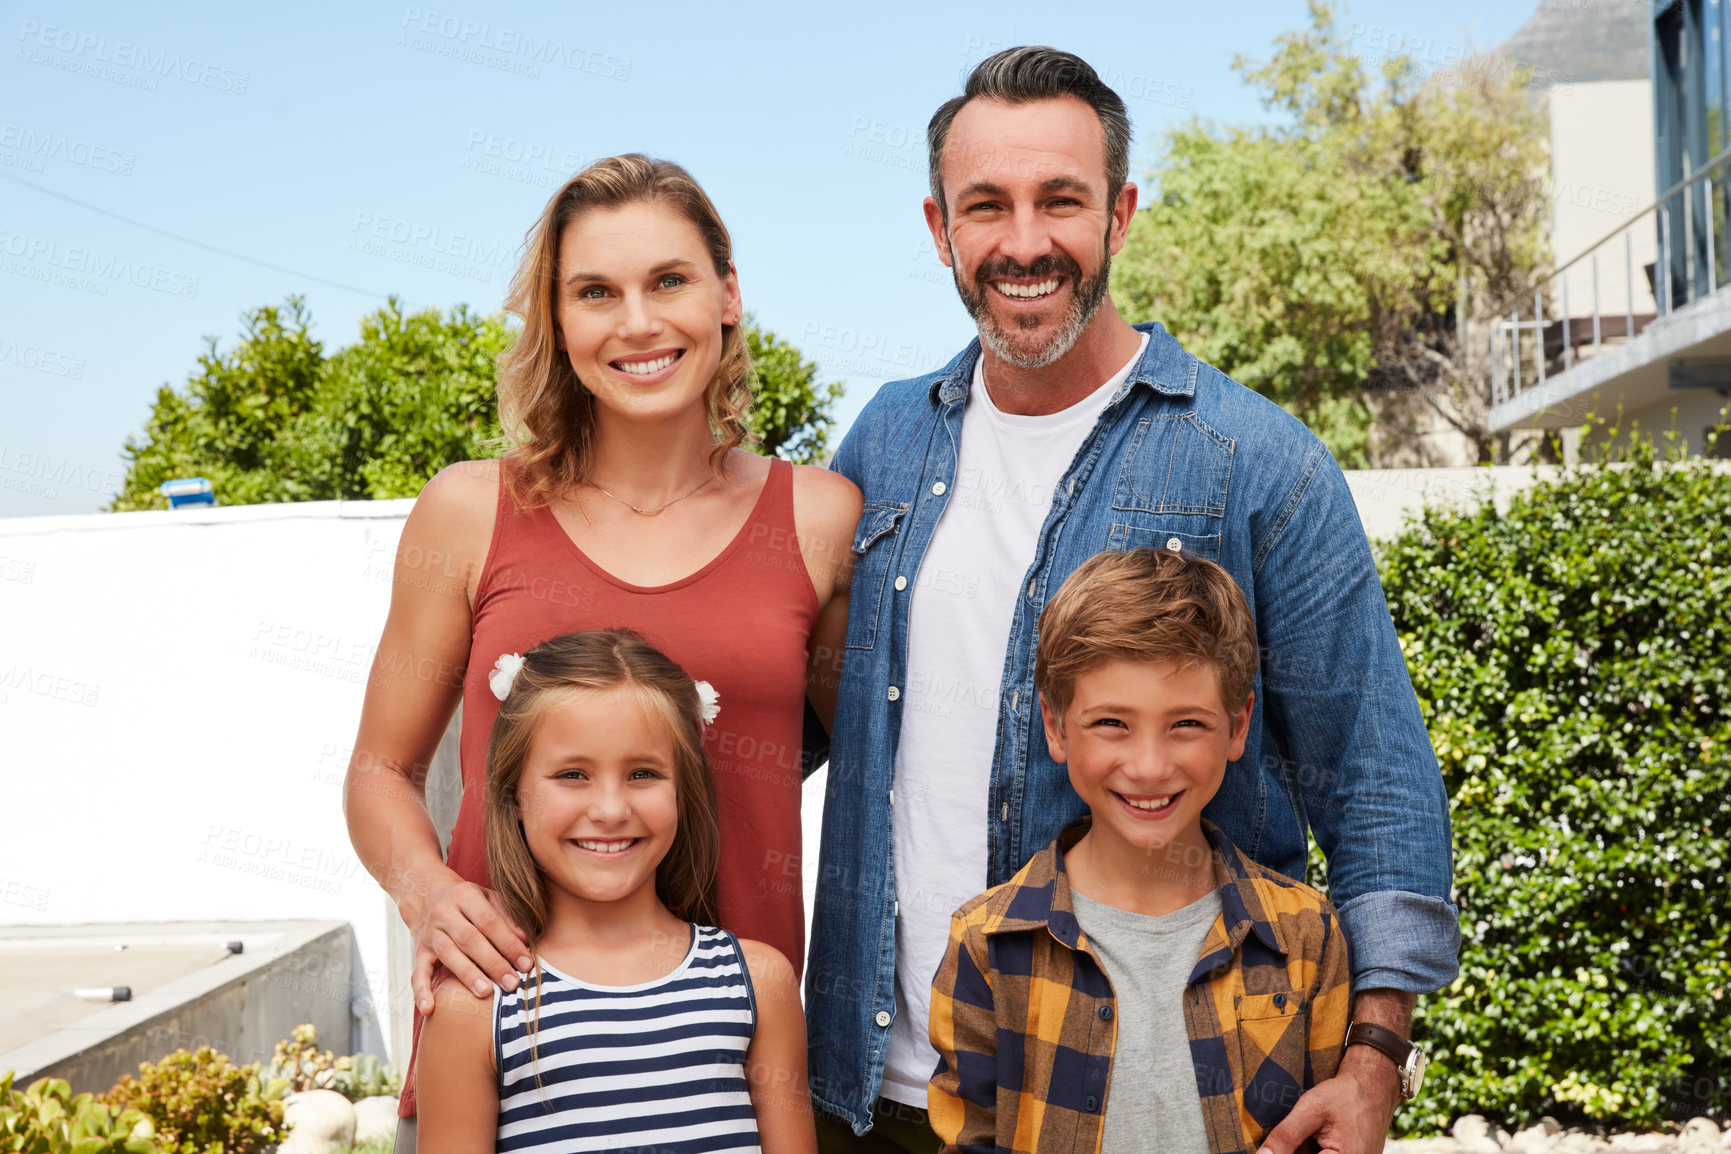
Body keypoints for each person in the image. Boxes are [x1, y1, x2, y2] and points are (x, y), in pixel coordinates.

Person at [806, 47, 1453, 1153]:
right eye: (986, 206)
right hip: (878, 1093)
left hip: (1176, 1094)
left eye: (1061, 199)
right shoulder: (882, 441)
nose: (1023, 241)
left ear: (1121, 212)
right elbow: (802, 720)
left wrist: (1376, 1055)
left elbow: (1375, 777)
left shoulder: (1257, 461)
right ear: (939, 227)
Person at [343, 154, 862, 1145]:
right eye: (595, 292)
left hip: (733, 1082)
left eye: (668, 279)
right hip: (504, 1069)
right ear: (556, 318)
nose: (637, 322)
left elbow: (865, 770)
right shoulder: (469, 512)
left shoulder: (821, 520)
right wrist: (428, 892)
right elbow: (379, 770)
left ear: (727, 294)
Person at [927, 548, 1353, 1154]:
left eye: (1186, 724)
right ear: (1054, 726)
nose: (1149, 767)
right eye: (1111, 723)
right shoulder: (987, 942)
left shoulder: (1307, 937)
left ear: (1238, 726)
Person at [416, 629, 817, 1153]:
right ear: (513, 794)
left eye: (643, 773)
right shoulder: (475, 1009)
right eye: (573, 774)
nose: (610, 810)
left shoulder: (760, 984)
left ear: (683, 790)